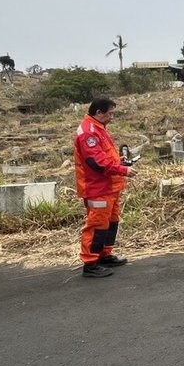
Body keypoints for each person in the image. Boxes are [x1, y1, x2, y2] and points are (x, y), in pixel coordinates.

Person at [74, 98, 137, 277]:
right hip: (97, 188)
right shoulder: (88, 132)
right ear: (99, 113)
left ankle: (104, 254)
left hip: (110, 186)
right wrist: (122, 169)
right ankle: (91, 263)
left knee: (111, 221)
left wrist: (119, 161)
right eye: (110, 114)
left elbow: (104, 156)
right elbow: (96, 163)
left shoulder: (98, 128)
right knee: (97, 225)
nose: (112, 118)